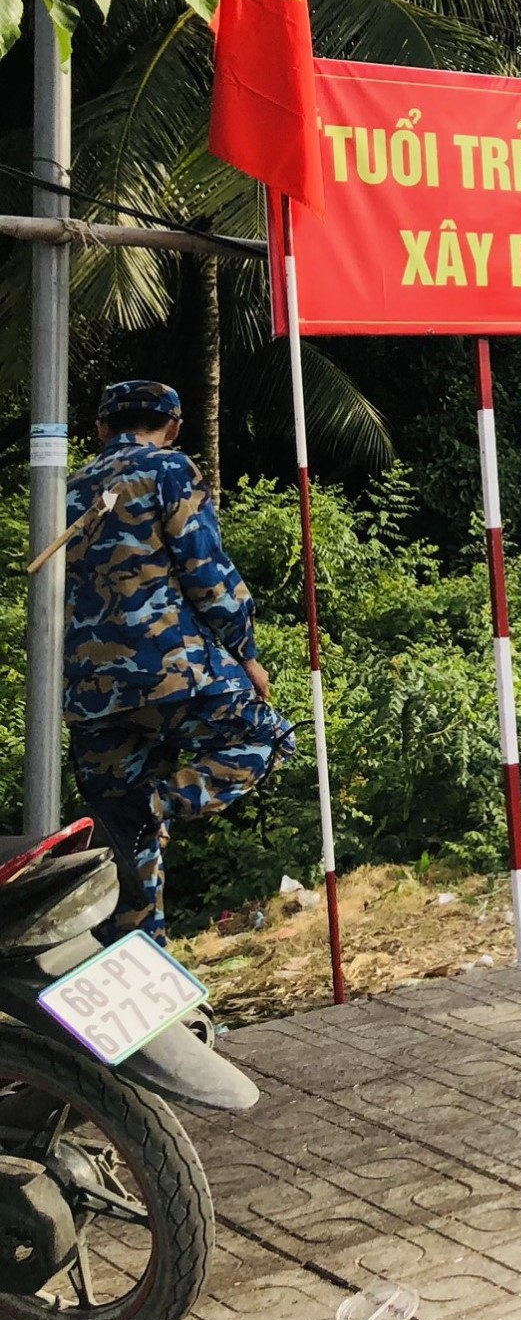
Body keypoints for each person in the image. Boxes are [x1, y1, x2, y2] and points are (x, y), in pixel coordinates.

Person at [61, 380, 293, 944]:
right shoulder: (169, 469)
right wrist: (248, 654)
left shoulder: (66, 487)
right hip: (172, 675)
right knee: (267, 737)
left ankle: (137, 973)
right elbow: (208, 573)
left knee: (123, 843)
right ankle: (160, 802)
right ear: (174, 426)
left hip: (89, 694)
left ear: (100, 429)